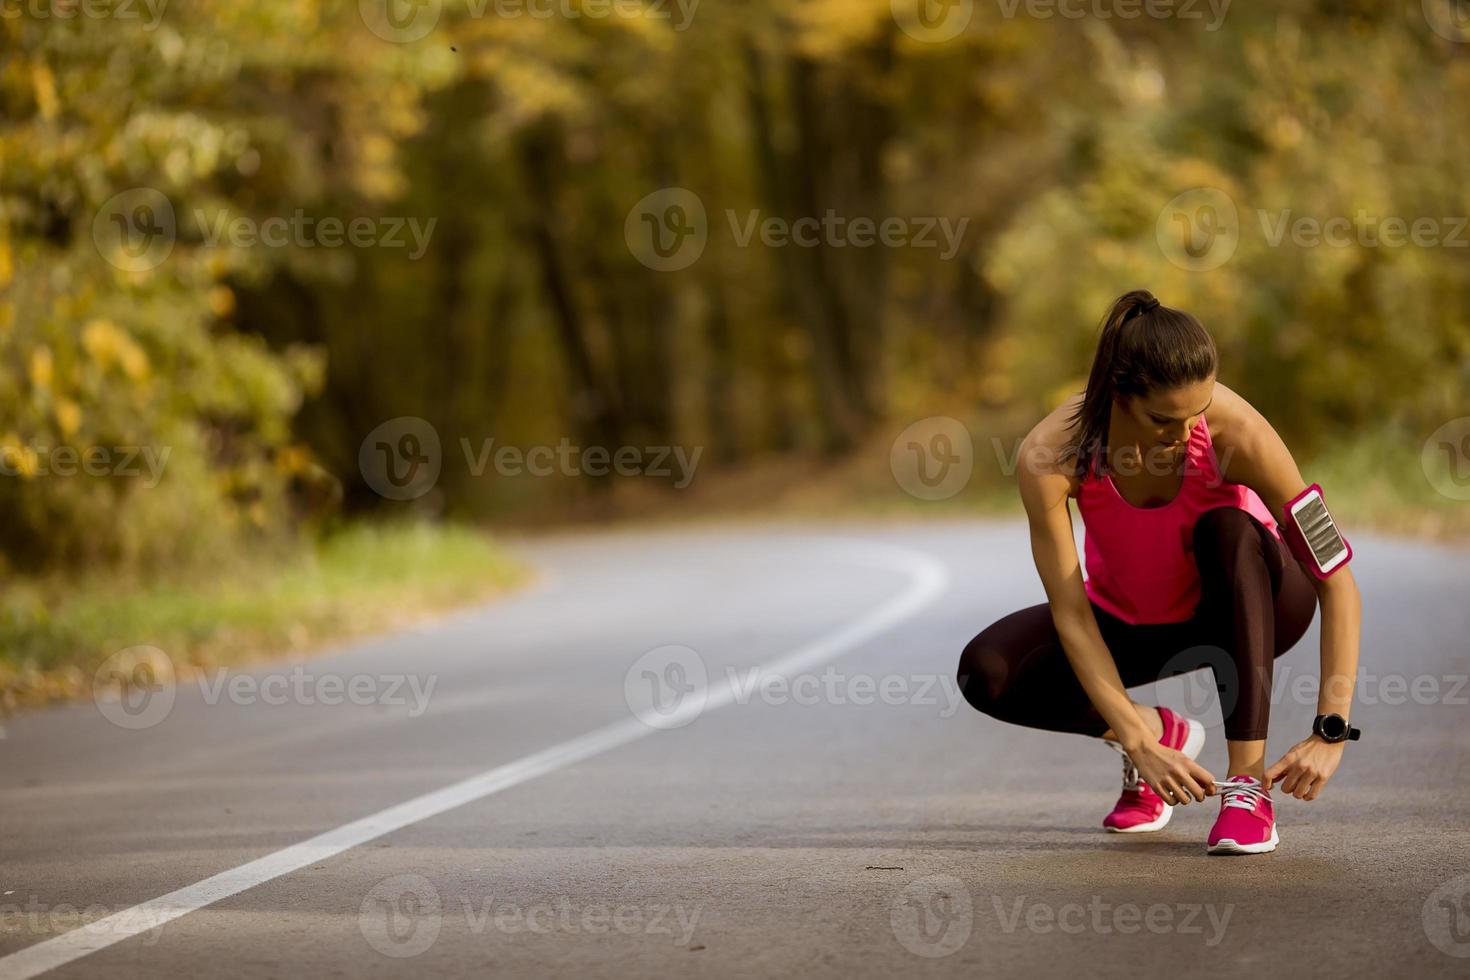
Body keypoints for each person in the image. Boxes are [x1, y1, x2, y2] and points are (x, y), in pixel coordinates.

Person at [956, 289, 1363, 855]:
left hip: (1256, 603)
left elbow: (1336, 580)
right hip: (1136, 618)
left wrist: (1331, 730)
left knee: (1229, 528)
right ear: (1117, 393)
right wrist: (1133, 735)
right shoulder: (1051, 455)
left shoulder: (1238, 433)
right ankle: (1158, 733)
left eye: (1197, 412)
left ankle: (1246, 787)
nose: (1184, 433)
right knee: (988, 671)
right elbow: (1072, 613)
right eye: (1163, 420)